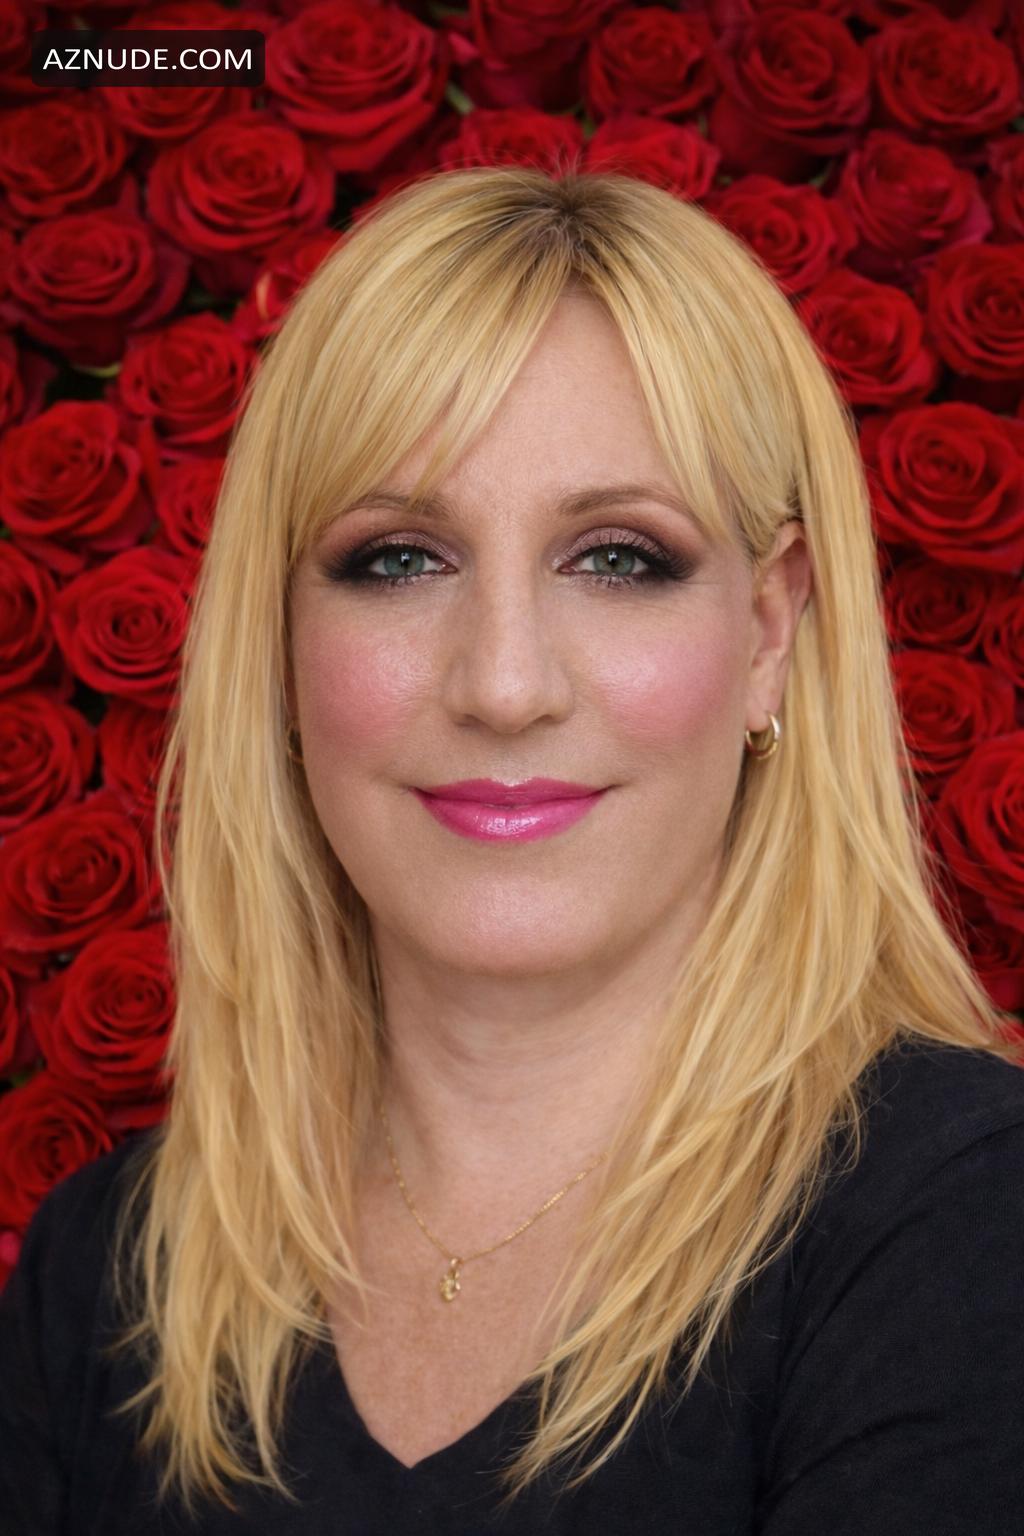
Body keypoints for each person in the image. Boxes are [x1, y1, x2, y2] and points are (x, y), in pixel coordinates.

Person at [2, 165, 1024, 1535]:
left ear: (769, 632)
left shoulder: (972, 1217)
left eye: (618, 559)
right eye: (398, 559)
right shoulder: (104, 1273)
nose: (502, 684)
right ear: (282, 645)